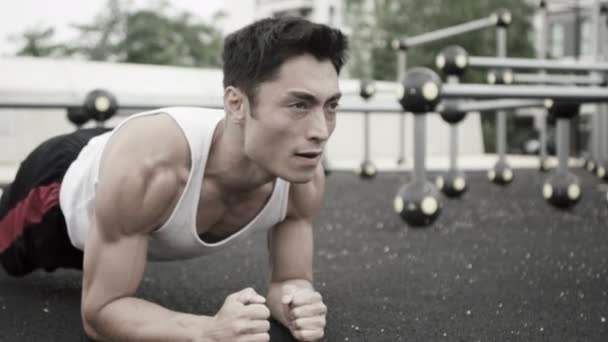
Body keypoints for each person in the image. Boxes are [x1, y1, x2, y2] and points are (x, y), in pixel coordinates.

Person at [0, 16, 348, 341]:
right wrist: (208, 330)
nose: (321, 131)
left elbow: (290, 279)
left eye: (330, 105)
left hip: (132, 176)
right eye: (299, 105)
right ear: (237, 104)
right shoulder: (152, 169)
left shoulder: (304, 174)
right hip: (58, 185)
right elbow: (100, 313)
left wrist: (297, 302)